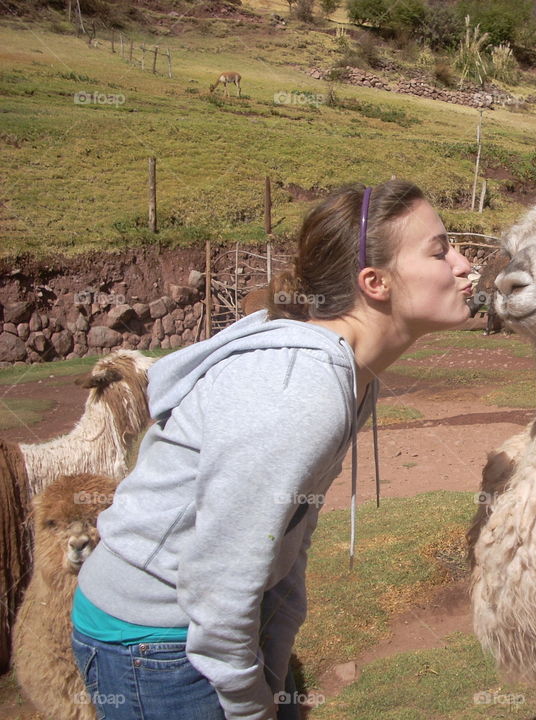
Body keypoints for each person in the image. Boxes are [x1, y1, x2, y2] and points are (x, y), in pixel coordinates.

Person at [72, 180, 473, 720]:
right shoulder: (300, 389)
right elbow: (220, 579)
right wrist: (248, 705)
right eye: (440, 249)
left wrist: (276, 650)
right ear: (374, 282)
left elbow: (287, 532)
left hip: (199, 625)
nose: (465, 263)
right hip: (154, 639)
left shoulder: (353, 375)